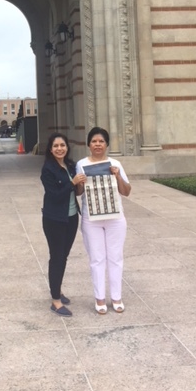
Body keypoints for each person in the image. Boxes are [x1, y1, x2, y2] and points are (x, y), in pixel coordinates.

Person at [76, 126, 131, 314]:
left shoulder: (115, 163)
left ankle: (116, 297)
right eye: (94, 141)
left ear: (106, 144)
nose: (97, 144)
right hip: (92, 218)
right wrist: (77, 182)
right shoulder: (81, 164)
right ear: (89, 144)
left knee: (115, 257)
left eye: (101, 141)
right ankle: (99, 298)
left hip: (115, 217)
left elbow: (126, 191)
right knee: (97, 258)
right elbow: (78, 193)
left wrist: (117, 176)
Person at [40, 132, 86, 317]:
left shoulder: (70, 165)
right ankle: (55, 301)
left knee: (64, 256)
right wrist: (72, 182)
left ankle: (57, 289)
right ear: (50, 149)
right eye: (56, 146)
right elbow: (55, 195)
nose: (60, 149)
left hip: (72, 217)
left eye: (63, 145)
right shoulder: (48, 169)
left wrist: (79, 185)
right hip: (54, 219)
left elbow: (76, 191)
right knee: (56, 257)